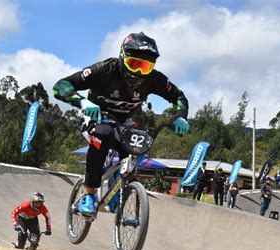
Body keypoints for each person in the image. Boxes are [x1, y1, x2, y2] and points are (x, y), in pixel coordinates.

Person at [53, 32, 189, 217]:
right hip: (96, 117)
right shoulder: (105, 69)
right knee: (103, 135)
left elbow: (178, 96)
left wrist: (180, 116)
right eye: (135, 64)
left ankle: (120, 186)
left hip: (124, 122)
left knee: (139, 146)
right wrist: (83, 102)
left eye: (146, 67)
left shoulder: (154, 79)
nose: (139, 72)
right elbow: (61, 85)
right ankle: (89, 194)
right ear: (122, 57)